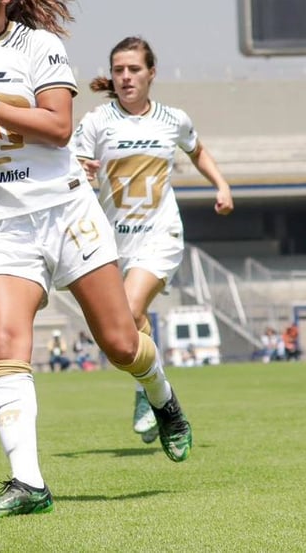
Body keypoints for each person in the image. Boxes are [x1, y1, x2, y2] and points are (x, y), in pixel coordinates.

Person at [0, 0, 193, 518]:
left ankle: (163, 399)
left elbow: (58, 126)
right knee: (6, 345)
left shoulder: (40, 46)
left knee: (120, 344)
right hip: (1, 224)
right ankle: (28, 484)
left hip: (68, 212)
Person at [72, 35, 234, 444]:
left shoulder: (172, 119)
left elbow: (197, 151)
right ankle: (150, 384)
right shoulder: (96, 122)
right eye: (119, 70)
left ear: (151, 73)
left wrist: (222, 185)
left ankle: (149, 394)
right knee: (125, 327)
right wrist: (81, 170)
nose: (125, 77)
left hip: (160, 237)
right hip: (112, 242)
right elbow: (71, 165)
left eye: (134, 69)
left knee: (128, 309)